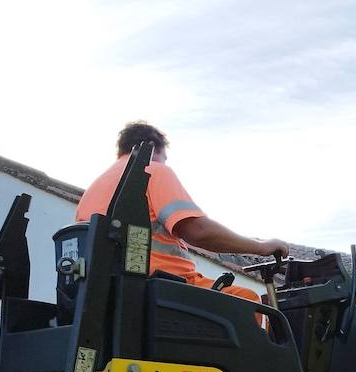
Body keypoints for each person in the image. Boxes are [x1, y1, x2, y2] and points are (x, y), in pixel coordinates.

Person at [75, 121, 289, 304]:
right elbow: (198, 231)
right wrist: (261, 247)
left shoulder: (93, 190)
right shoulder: (150, 170)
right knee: (247, 299)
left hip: (114, 293)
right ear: (152, 147)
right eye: (165, 157)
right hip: (162, 288)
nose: (165, 163)